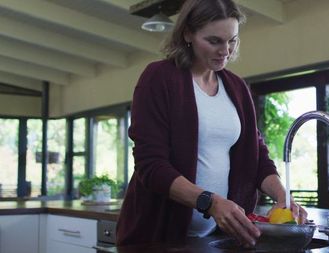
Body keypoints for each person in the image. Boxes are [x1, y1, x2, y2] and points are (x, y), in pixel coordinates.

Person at [116, 0, 308, 247]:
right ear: (187, 34)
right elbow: (151, 166)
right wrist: (210, 202)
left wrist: (284, 196)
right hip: (159, 236)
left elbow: (256, 155)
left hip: (217, 238)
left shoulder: (237, 87)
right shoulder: (159, 78)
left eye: (232, 40)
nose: (226, 51)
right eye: (214, 41)